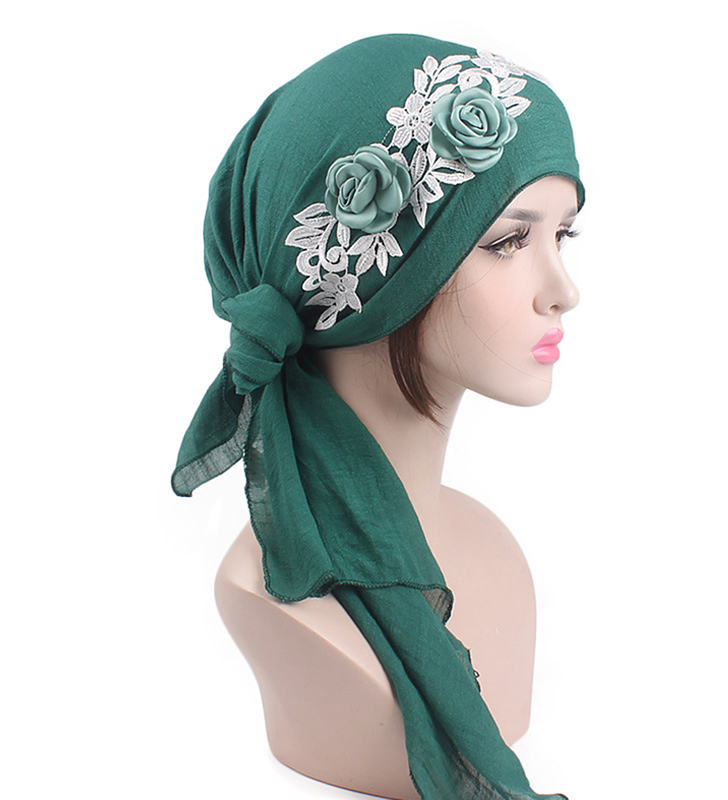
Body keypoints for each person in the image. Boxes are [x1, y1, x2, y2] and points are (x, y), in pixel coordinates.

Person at [173, 33, 584, 800]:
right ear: (373, 278)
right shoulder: (267, 593)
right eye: (507, 241)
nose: (563, 290)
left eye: (564, 235)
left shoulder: (495, 550)